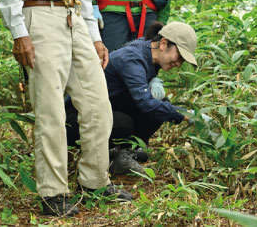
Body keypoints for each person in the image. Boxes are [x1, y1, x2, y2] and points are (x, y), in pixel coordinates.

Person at [0, 0, 132, 217]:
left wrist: (95, 36)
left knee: (97, 104)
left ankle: (95, 181)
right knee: (52, 111)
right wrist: (19, 33)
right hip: (40, 18)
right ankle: (52, 194)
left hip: (75, 21)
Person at [65, 21, 205, 175]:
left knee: (161, 105)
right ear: (163, 43)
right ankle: (112, 155)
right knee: (125, 122)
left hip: (108, 107)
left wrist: (152, 79)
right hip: (76, 120)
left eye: (182, 61)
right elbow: (145, 103)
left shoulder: (148, 50)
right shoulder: (133, 58)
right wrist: (186, 114)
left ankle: (125, 151)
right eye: (179, 56)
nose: (178, 63)